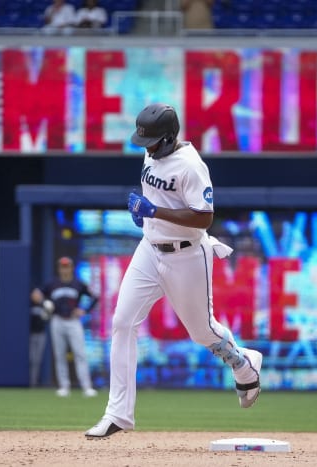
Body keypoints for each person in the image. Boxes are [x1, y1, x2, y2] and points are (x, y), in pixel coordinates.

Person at [84, 104, 263, 439]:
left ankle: (242, 362)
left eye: (150, 140)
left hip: (187, 255)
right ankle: (118, 414)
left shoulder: (191, 165)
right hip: (149, 249)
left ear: (168, 137)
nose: (146, 146)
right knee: (122, 323)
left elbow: (203, 217)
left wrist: (156, 210)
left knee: (202, 332)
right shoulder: (151, 155)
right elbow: (155, 199)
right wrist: (143, 213)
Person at [31, 256, 99, 397]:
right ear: (59, 268)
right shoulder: (52, 284)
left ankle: (86, 386)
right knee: (59, 354)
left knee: (80, 353)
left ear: (72, 268)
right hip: (57, 319)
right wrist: (44, 302)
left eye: (67, 266)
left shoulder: (78, 284)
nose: (65, 269)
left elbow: (95, 296)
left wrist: (84, 310)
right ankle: (64, 386)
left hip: (73, 321)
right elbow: (36, 294)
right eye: (62, 266)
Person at [28, 296, 53, 386]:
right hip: (31, 335)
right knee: (31, 358)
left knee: (37, 359)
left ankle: (34, 381)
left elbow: (48, 318)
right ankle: (30, 380)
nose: (36, 296)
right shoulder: (29, 304)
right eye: (35, 294)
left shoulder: (44, 305)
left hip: (41, 334)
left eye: (38, 294)